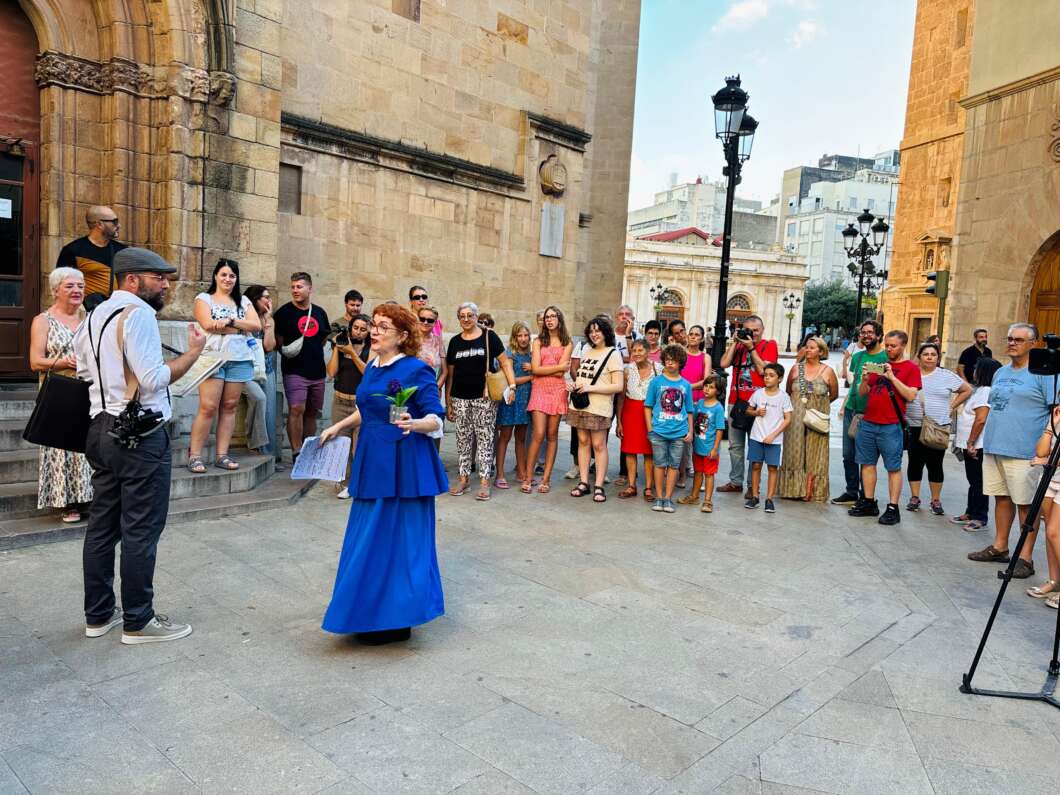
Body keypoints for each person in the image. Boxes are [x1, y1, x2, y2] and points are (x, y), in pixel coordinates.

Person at [73, 247, 206, 643]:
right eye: (158, 277)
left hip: (100, 427)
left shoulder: (94, 315)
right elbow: (153, 379)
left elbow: (83, 370)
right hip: (139, 435)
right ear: (132, 280)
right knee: (140, 529)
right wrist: (194, 354)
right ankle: (138, 620)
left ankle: (99, 615)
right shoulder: (139, 314)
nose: (165, 285)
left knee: (102, 527)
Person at [318, 303, 447, 644]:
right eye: (374, 324)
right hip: (373, 458)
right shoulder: (373, 366)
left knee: (401, 542)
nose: (374, 331)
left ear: (402, 336)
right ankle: (367, 613)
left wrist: (414, 423)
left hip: (406, 463)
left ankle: (397, 619)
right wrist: (338, 427)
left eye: (383, 327)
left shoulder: (417, 369)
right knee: (368, 537)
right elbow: (368, 408)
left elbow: (436, 417)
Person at [968, 323, 1054, 578]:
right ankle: (1000, 546)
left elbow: (1056, 412)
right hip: (996, 445)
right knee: (1001, 498)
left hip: (1025, 450)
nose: (1012, 343)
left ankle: (1025, 558)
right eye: (1010, 339)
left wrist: (1045, 449)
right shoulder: (1000, 372)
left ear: (1033, 344)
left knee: (1026, 505)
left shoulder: (1044, 374)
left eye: (1018, 339)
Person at [29, 267, 93, 523]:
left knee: (87, 446)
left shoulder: (90, 318)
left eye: (80, 286)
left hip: (88, 390)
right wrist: (64, 362)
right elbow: (35, 361)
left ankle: (90, 497)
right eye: (70, 286)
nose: (77, 290)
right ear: (56, 290)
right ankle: (67, 503)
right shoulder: (43, 320)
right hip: (58, 393)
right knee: (61, 448)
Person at [186, 259, 262, 473]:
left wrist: (230, 322)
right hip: (213, 356)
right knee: (208, 406)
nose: (228, 279)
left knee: (230, 406)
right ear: (216, 276)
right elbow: (208, 325)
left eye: (232, 276)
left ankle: (222, 455)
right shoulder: (204, 298)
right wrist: (241, 328)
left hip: (239, 358)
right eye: (224, 274)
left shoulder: (243, 300)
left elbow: (256, 325)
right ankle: (195, 455)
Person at [849, 330, 922, 525]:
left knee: (893, 467)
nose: (889, 349)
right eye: (887, 345)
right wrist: (865, 379)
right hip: (868, 422)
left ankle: (892, 508)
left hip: (891, 425)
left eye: (893, 346)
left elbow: (911, 395)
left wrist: (892, 378)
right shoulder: (879, 365)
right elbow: (863, 393)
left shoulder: (911, 368)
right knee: (867, 464)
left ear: (903, 346)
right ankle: (869, 502)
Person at [445, 302, 516, 501]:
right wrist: (448, 402)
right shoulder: (454, 342)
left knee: (485, 439)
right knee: (463, 439)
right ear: (458, 319)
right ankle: (464, 479)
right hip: (460, 398)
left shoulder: (489, 337)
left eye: (470, 315)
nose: (466, 319)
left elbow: (505, 362)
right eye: (462, 316)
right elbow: (451, 375)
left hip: (484, 398)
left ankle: (485, 481)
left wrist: (512, 386)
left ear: (476, 317)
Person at [904, 342, 971, 514]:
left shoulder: (945, 375)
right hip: (914, 425)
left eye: (933, 355)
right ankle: (914, 497)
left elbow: (966, 390)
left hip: (938, 427)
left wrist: (952, 406)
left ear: (938, 358)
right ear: (919, 357)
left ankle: (935, 500)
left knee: (935, 464)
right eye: (925, 354)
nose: (929, 357)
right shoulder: (912, 373)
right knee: (915, 462)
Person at [718, 315, 779, 496]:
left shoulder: (769, 345)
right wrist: (735, 343)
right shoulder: (738, 346)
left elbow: (763, 371)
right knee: (735, 446)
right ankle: (736, 482)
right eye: (748, 330)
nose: (752, 334)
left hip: (759, 405)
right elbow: (723, 363)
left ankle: (753, 486)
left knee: (755, 446)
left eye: (756, 330)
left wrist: (751, 348)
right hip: (736, 402)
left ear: (762, 330)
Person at [274, 272, 330, 462]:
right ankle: (296, 452)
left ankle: (308, 451)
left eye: (299, 287)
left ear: (309, 289)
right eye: (293, 287)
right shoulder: (283, 313)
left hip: (317, 371)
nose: (295, 290)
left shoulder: (320, 312)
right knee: (296, 408)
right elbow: (278, 342)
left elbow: (323, 338)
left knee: (312, 412)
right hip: (294, 370)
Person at [567, 316, 624, 503]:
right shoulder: (587, 351)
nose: (594, 334)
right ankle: (584, 482)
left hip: (599, 407)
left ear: (605, 332)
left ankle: (599, 485)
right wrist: (574, 385)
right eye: (591, 331)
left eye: (597, 330)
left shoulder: (613, 354)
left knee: (599, 445)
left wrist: (590, 388)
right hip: (580, 405)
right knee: (583, 442)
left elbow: (618, 386)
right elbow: (583, 377)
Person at [832, 321, 887, 505]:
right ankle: (851, 491)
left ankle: (866, 495)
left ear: (878, 335)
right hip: (852, 411)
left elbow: (889, 377)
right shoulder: (857, 356)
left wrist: (874, 370)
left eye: (870, 332)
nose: (866, 335)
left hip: (871, 413)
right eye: (863, 332)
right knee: (848, 454)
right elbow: (854, 383)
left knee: (866, 457)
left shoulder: (886, 357)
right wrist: (845, 405)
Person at [779, 336, 838, 502]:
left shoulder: (828, 371)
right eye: (806, 347)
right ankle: (792, 489)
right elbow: (789, 391)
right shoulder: (796, 369)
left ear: (821, 351)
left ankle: (812, 490)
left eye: (812, 347)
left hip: (817, 416)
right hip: (796, 416)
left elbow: (833, 394)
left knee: (816, 452)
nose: (808, 350)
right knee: (794, 450)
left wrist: (818, 405)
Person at [523, 306, 573, 494]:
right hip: (540, 389)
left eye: (553, 316)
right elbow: (535, 368)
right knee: (538, 433)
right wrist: (557, 367)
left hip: (557, 391)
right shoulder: (538, 341)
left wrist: (549, 370)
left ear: (560, 319)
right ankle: (528, 477)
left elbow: (560, 373)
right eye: (547, 317)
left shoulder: (567, 343)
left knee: (552, 435)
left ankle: (546, 479)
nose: (549, 320)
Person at [951, 357, 1001, 531]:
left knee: (979, 481)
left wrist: (971, 443)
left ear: (983, 371)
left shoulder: (986, 391)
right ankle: (970, 512)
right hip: (970, 444)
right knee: (973, 480)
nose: (973, 372)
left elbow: (980, 419)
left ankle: (980, 517)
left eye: (976, 368)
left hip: (977, 445)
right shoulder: (979, 390)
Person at [643, 344, 693, 513]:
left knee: (674, 466)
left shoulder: (686, 385)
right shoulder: (656, 382)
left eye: (674, 360)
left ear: (681, 363)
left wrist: (690, 431)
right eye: (668, 360)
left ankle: (668, 498)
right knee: (659, 464)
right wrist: (650, 429)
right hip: (658, 431)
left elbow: (689, 410)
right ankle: (659, 497)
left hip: (679, 432)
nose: (670, 363)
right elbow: (648, 406)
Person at [327, 313, 371, 499]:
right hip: (340, 401)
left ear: (369, 331)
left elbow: (368, 372)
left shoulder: (371, 348)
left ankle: (359, 482)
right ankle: (345, 482)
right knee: (341, 444)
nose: (358, 332)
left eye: (363, 329)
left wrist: (352, 353)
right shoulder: (342, 345)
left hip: (360, 404)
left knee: (358, 445)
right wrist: (337, 348)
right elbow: (331, 372)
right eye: (355, 328)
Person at [616, 338, 661, 501]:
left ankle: (648, 487)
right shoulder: (627, 370)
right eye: (634, 350)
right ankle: (631, 485)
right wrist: (619, 421)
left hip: (650, 413)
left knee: (649, 451)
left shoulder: (658, 369)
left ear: (648, 352)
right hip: (630, 411)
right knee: (630, 450)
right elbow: (621, 397)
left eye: (640, 350)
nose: (636, 353)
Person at [745, 363, 793, 513]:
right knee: (755, 465)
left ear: (780, 379)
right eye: (765, 375)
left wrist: (773, 435)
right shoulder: (758, 394)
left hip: (774, 439)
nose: (767, 378)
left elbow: (788, 419)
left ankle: (769, 499)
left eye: (771, 375)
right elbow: (748, 410)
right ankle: (755, 497)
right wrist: (756, 413)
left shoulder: (784, 397)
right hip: (756, 436)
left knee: (772, 468)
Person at [243, 285, 282, 467]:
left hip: (266, 370)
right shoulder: (245, 318)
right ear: (255, 299)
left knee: (270, 413)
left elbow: (269, 346)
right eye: (265, 297)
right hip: (246, 370)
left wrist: (268, 321)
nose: (269, 300)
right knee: (260, 399)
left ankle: (270, 456)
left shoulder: (269, 319)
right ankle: (258, 448)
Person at [56, 205, 127, 302]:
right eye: (114, 222)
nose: (119, 225)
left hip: (117, 308)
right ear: (100, 224)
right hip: (87, 309)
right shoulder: (73, 251)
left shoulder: (122, 250)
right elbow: (61, 285)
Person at [678, 373, 726, 512]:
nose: (706, 389)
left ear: (718, 391)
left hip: (710, 449)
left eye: (711, 387)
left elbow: (720, 429)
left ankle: (708, 501)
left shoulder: (718, 408)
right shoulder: (699, 403)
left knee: (709, 475)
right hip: (697, 447)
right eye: (706, 386)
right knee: (698, 472)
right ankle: (694, 496)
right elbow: (692, 419)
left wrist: (715, 449)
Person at [495, 321, 533, 489]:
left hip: (525, 401)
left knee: (521, 438)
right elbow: (511, 379)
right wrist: (531, 377)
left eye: (526, 335)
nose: (523, 339)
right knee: (505, 437)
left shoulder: (531, 355)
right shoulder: (510, 354)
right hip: (511, 399)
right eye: (520, 335)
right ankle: (500, 474)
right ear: (514, 337)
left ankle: (521, 472)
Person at [1029, 407, 1060, 608]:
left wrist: (1046, 461)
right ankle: (1054, 581)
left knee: (1054, 532)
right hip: (1050, 478)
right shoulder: (1057, 416)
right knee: (1050, 532)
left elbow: (1042, 457)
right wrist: (1051, 426)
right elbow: (1040, 451)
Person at [677, 324, 711, 488]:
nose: (693, 337)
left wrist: (687, 386)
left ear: (702, 338)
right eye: (691, 334)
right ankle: (682, 476)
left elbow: (706, 380)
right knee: (684, 441)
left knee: (701, 440)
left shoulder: (705, 357)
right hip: (681, 404)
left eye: (697, 335)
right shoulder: (681, 353)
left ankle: (701, 477)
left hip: (699, 404)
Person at [415, 305, 448, 391]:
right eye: (422, 319)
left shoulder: (439, 342)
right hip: (411, 391)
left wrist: (435, 389)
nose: (425, 322)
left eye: (430, 320)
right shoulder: (409, 340)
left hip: (432, 392)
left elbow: (444, 372)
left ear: (435, 323)